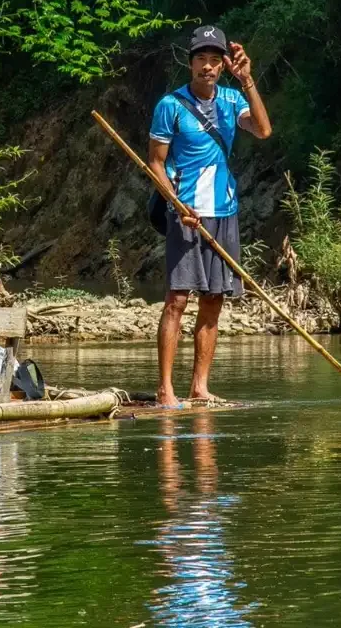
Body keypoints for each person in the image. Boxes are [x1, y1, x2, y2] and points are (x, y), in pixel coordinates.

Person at [147, 26, 272, 407]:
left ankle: (199, 386)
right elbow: (156, 162)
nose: (208, 66)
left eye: (215, 60)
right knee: (177, 300)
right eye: (201, 58)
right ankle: (165, 388)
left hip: (224, 211)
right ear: (190, 63)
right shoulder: (170, 106)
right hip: (186, 214)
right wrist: (176, 206)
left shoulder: (234, 100)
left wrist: (248, 80)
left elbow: (264, 130)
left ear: (223, 66)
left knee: (214, 299)